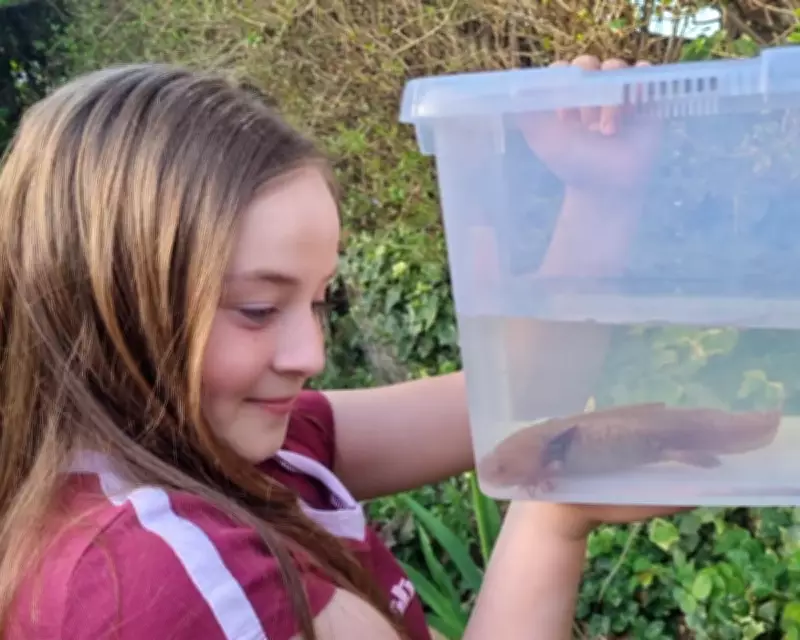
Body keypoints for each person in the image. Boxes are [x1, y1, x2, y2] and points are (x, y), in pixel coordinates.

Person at [0, 54, 688, 640]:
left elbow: (527, 395)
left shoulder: (229, 445)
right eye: (258, 308)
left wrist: (601, 197)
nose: (311, 353)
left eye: (320, 299)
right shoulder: (160, 581)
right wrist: (551, 517)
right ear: (111, 303)